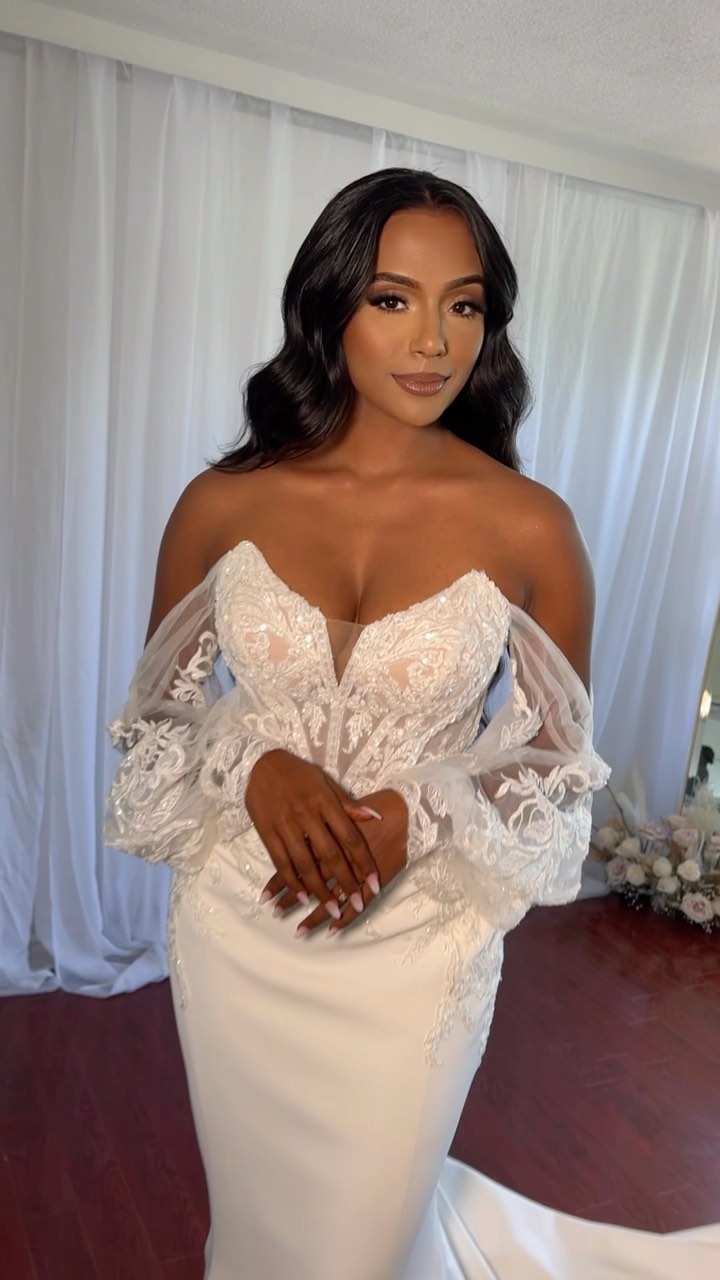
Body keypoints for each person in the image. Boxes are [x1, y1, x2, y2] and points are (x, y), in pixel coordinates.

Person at [105, 169, 714, 1278]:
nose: (435, 340)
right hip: (239, 918)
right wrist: (255, 763)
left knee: (359, 1243)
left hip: (420, 936)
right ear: (329, 305)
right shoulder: (222, 504)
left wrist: (418, 810)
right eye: (393, 298)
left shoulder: (532, 526)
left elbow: (555, 758)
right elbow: (157, 717)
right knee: (265, 1226)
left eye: (464, 304)